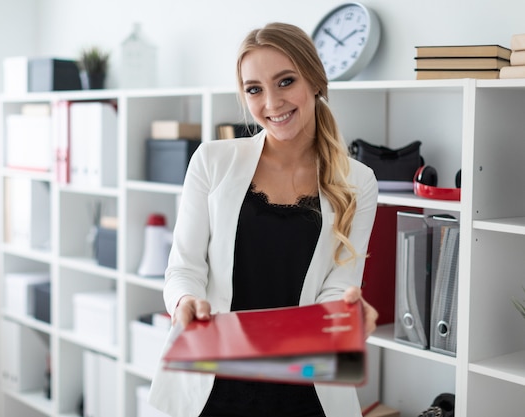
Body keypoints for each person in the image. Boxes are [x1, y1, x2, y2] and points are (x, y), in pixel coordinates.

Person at [149, 22, 379, 417]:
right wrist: (185, 301)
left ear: (315, 80)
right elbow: (183, 268)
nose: (272, 102)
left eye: (285, 81)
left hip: (306, 392)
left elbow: (338, 289)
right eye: (254, 89)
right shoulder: (212, 161)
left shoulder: (358, 182)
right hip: (215, 387)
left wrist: (346, 314)